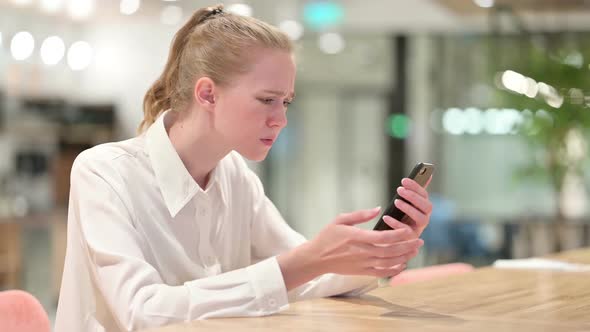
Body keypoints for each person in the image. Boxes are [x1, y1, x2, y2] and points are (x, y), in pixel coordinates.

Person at [55, 4, 433, 331]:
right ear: (207, 94)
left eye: (286, 102)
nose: (280, 119)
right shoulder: (104, 172)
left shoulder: (235, 178)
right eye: (267, 99)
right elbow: (141, 312)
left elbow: (307, 278)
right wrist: (305, 262)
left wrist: (379, 251)